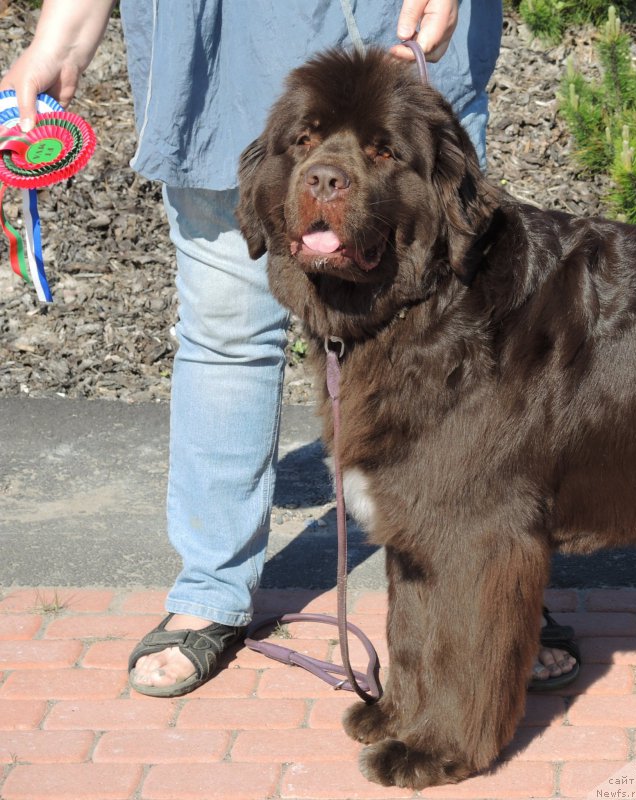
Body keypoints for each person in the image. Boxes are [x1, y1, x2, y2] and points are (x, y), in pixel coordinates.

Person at [1, 0, 578, 698]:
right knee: (225, 334)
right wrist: (61, 36)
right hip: (219, 47)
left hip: (395, 29)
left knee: (459, 332)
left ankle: (494, 585)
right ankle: (211, 592)